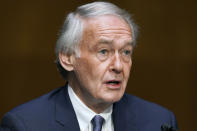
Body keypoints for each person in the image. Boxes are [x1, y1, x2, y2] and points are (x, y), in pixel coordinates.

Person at [0, 2, 178, 131]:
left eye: (126, 52)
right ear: (68, 58)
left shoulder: (159, 121)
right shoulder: (25, 125)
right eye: (103, 52)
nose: (118, 66)